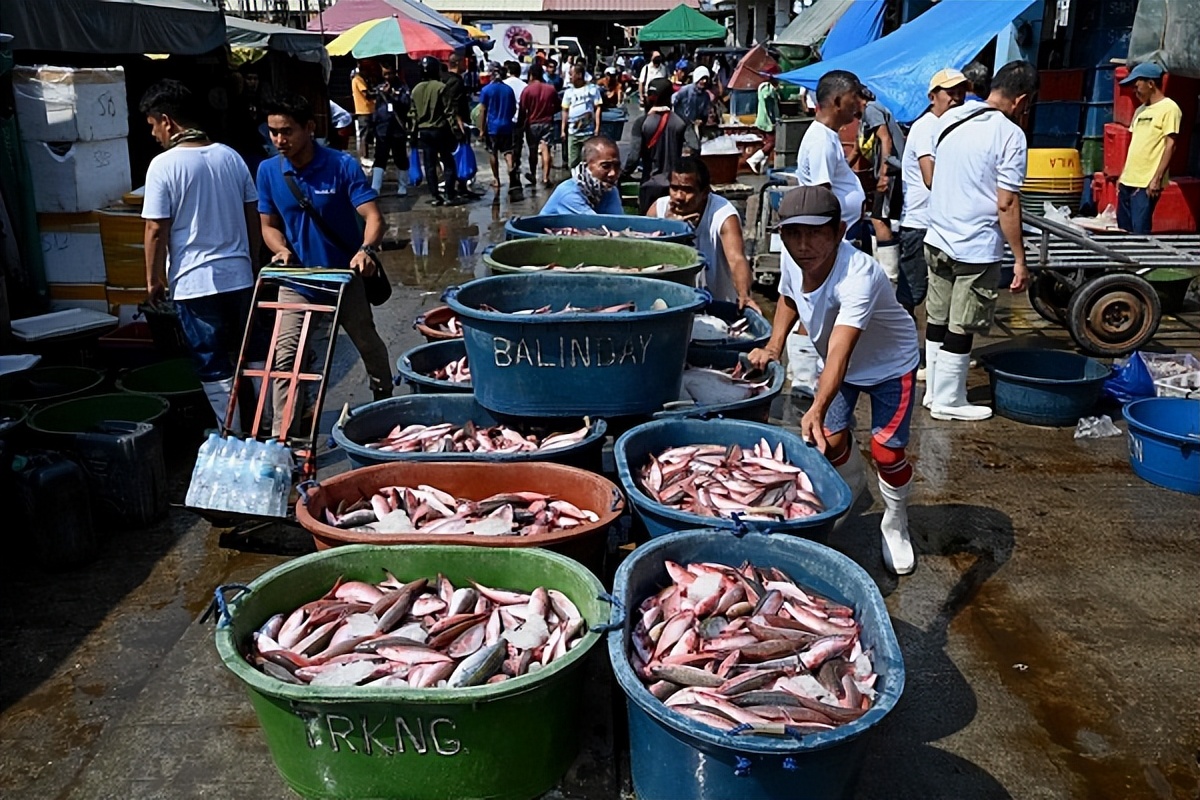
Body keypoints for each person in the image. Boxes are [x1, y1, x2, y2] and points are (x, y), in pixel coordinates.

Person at [748, 186, 920, 576]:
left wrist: (817, 406)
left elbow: (841, 350)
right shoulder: (794, 259)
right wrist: (775, 346)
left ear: (840, 230)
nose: (803, 245)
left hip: (890, 364)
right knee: (833, 440)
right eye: (793, 234)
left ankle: (895, 521)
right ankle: (853, 483)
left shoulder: (860, 275)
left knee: (887, 452)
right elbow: (789, 299)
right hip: (840, 364)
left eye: (815, 233)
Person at [255, 92, 392, 435]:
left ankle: (384, 399)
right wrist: (280, 250)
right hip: (299, 280)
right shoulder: (269, 171)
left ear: (310, 128)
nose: (279, 140)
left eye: (286, 131)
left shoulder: (341, 165)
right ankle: (282, 435)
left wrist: (366, 250)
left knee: (366, 340)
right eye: (272, 132)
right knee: (285, 357)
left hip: (345, 278)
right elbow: (268, 226)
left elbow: (374, 218)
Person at [139, 79, 262, 429]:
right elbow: (251, 211)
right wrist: (251, 261)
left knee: (212, 361)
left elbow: (155, 229)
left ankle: (232, 431)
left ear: (168, 121)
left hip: (195, 284)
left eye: (152, 125)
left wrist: (153, 281)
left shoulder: (164, 165)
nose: (153, 134)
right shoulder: (230, 156)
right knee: (250, 353)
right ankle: (268, 424)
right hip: (239, 276)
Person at [922, 60, 1037, 421]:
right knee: (963, 321)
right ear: (1021, 101)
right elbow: (1007, 202)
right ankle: (949, 401)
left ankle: (933, 392)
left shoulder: (951, 119)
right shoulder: (1010, 135)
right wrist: (1019, 258)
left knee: (937, 316)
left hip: (937, 236)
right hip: (972, 244)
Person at [898, 68, 967, 319]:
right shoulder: (927, 127)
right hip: (921, 224)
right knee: (912, 293)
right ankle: (900, 348)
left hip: (940, 222)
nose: (956, 98)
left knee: (940, 292)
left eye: (960, 92)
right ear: (932, 97)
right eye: (950, 92)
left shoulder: (951, 126)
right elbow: (931, 178)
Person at [647, 157, 755, 309]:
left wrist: (744, 294)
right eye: (674, 188)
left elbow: (736, 259)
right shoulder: (658, 210)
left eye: (687, 190)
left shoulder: (723, 215)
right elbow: (644, 254)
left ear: (705, 192)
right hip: (671, 303)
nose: (679, 196)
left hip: (717, 306)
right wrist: (670, 227)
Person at [796, 70, 867, 237]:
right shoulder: (822, 140)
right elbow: (822, 196)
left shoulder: (828, 136)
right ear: (837, 102)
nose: (859, 103)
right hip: (840, 235)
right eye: (854, 97)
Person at [1117, 63, 1181, 234]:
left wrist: (1156, 179)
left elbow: (1171, 145)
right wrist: (1122, 175)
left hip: (1146, 183)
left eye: (1137, 86)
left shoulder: (1169, 108)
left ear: (1151, 84)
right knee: (1123, 232)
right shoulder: (1139, 111)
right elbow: (1135, 145)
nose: (1134, 91)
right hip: (1127, 181)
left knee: (1140, 233)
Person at [859, 90, 907, 286]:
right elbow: (857, 147)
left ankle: (889, 276)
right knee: (878, 217)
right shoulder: (870, 112)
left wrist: (884, 174)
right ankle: (881, 269)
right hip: (891, 168)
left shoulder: (871, 109)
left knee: (879, 219)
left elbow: (886, 139)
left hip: (893, 169)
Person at [622, 77, 690, 213]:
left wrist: (622, 174)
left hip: (649, 186)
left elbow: (633, 158)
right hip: (674, 187)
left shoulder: (642, 123)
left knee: (648, 228)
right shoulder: (681, 121)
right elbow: (695, 148)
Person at [409, 55, 464, 207]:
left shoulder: (415, 90)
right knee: (448, 162)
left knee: (429, 164)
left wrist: (413, 134)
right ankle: (449, 195)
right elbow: (449, 112)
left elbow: (413, 115)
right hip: (441, 130)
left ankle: (435, 196)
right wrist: (457, 132)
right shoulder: (441, 87)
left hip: (424, 132)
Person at [540, 135, 623, 215]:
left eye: (617, 166)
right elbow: (596, 225)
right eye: (605, 166)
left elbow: (618, 222)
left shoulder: (609, 190)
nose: (613, 173)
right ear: (586, 166)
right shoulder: (569, 194)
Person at [444, 53, 483, 199]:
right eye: (463, 62)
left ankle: (458, 186)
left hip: (452, 124)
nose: (466, 65)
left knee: (455, 156)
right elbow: (453, 104)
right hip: (458, 125)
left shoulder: (446, 79)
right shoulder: (455, 81)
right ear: (458, 63)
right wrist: (459, 122)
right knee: (459, 156)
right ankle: (459, 187)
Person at [369, 65, 412, 197]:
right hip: (382, 129)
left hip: (397, 130)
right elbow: (376, 107)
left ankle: (402, 186)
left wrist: (393, 96)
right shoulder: (380, 86)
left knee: (400, 158)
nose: (387, 77)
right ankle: (375, 187)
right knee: (380, 158)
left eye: (389, 73)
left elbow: (406, 104)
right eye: (385, 74)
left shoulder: (402, 87)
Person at [479, 62, 521, 197]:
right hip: (507, 126)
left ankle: (496, 179)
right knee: (508, 152)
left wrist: (481, 129)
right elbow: (514, 109)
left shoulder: (486, 90)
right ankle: (510, 170)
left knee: (493, 152)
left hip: (492, 127)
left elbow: (483, 110)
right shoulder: (508, 90)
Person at [518, 63, 559, 188]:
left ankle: (533, 175)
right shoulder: (551, 89)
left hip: (532, 124)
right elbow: (558, 105)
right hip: (547, 122)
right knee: (546, 149)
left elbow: (522, 109)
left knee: (533, 151)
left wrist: (520, 125)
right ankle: (545, 178)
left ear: (531, 75)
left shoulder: (527, 90)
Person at [561, 63, 603, 169]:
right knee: (573, 162)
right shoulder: (568, 92)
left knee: (589, 161)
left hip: (588, 132)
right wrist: (563, 130)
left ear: (579, 75)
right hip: (573, 132)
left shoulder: (592, 89)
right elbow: (565, 111)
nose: (570, 77)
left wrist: (597, 127)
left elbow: (597, 108)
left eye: (572, 74)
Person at [350, 59, 380, 166]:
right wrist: (378, 93)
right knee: (364, 135)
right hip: (363, 111)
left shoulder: (364, 79)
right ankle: (363, 156)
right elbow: (366, 94)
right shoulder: (357, 80)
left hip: (369, 110)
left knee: (369, 134)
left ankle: (367, 154)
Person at [747, 73, 779, 174]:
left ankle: (763, 166)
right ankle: (753, 159)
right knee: (772, 142)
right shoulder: (767, 87)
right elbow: (766, 97)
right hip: (766, 120)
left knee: (767, 142)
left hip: (764, 119)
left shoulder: (763, 87)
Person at [673, 66, 713, 139]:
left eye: (706, 79)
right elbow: (673, 102)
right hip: (681, 125)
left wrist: (701, 120)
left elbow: (705, 113)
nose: (704, 81)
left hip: (694, 128)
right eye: (702, 78)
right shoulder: (685, 90)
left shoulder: (706, 96)